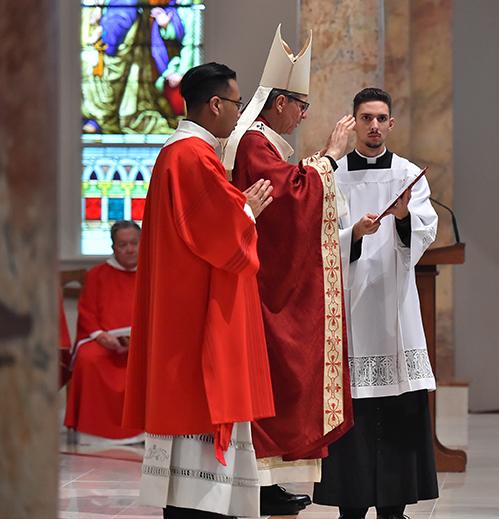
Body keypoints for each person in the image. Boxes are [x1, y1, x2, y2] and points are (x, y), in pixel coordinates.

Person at [222, 26, 378, 517]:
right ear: (277, 103)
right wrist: (330, 156)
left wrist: (316, 167)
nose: (304, 114)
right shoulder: (253, 144)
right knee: (271, 381)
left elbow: (290, 188)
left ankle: (267, 483)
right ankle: (261, 485)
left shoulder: (264, 145)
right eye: (300, 104)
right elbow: (289, 199)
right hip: (266, 286)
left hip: (270, 281)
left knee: (274, 383)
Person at [122, 62, 277, 519]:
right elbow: (216, 234)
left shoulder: (186, 153)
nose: (239, 111)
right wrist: (245, 210)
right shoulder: (191, 156)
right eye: (236, 102)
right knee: (196, 448)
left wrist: (239, 208)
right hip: (195, 322)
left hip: (186, 309)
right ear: (215, 105)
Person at [313, 87, 439, 519]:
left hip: (394, 308)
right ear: (353, 121)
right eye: (365, 118)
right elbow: (320, 238)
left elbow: (425, 230)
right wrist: (354, 236)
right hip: (349, 311)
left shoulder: (407, 174)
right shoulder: (333, 175)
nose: (373, 126)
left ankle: (394, 506)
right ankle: (351, 504)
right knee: (355, 412)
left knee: (397, 404)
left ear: (391, 123)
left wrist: (403, 218)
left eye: (380, 118)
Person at [64, 220, 143, 444]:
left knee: (159, 361)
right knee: (89, 359)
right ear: (113, 247)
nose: (129, 249)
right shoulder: (97, 274)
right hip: (104, 342)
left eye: (134, 243)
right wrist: (101, 336)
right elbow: (87, 312)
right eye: (123, 244)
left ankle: (145, 431)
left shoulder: (153, 273)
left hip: (141, 345)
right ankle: (93, 433)